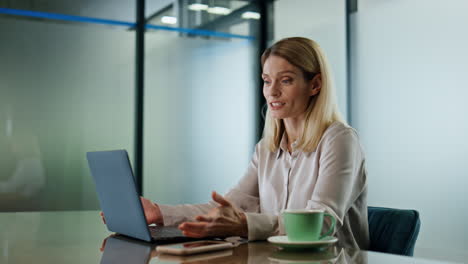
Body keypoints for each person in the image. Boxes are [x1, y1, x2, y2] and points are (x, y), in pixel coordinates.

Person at [101, 37, 369, 249]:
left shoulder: (339, 139)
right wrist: (159, 212)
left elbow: (321, 224)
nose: (272, 91)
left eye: (285, 80)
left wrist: (244, 225)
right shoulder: (267, 148)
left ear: (315, 85)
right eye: (267, 81)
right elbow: (229, 208)